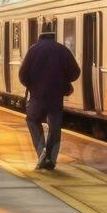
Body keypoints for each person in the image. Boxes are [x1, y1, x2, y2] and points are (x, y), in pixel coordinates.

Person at [18, 24, 80, 171]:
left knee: (32, 120)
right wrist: (64, 82)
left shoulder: (33, 50)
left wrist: (32, 85)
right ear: (54, 35)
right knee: (55, 127)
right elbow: (75, 72)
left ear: (40, 35)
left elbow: (22, 75)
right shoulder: (62, 50)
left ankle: (42, 152)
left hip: (37, 96)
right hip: (56, 96)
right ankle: (51, 159)